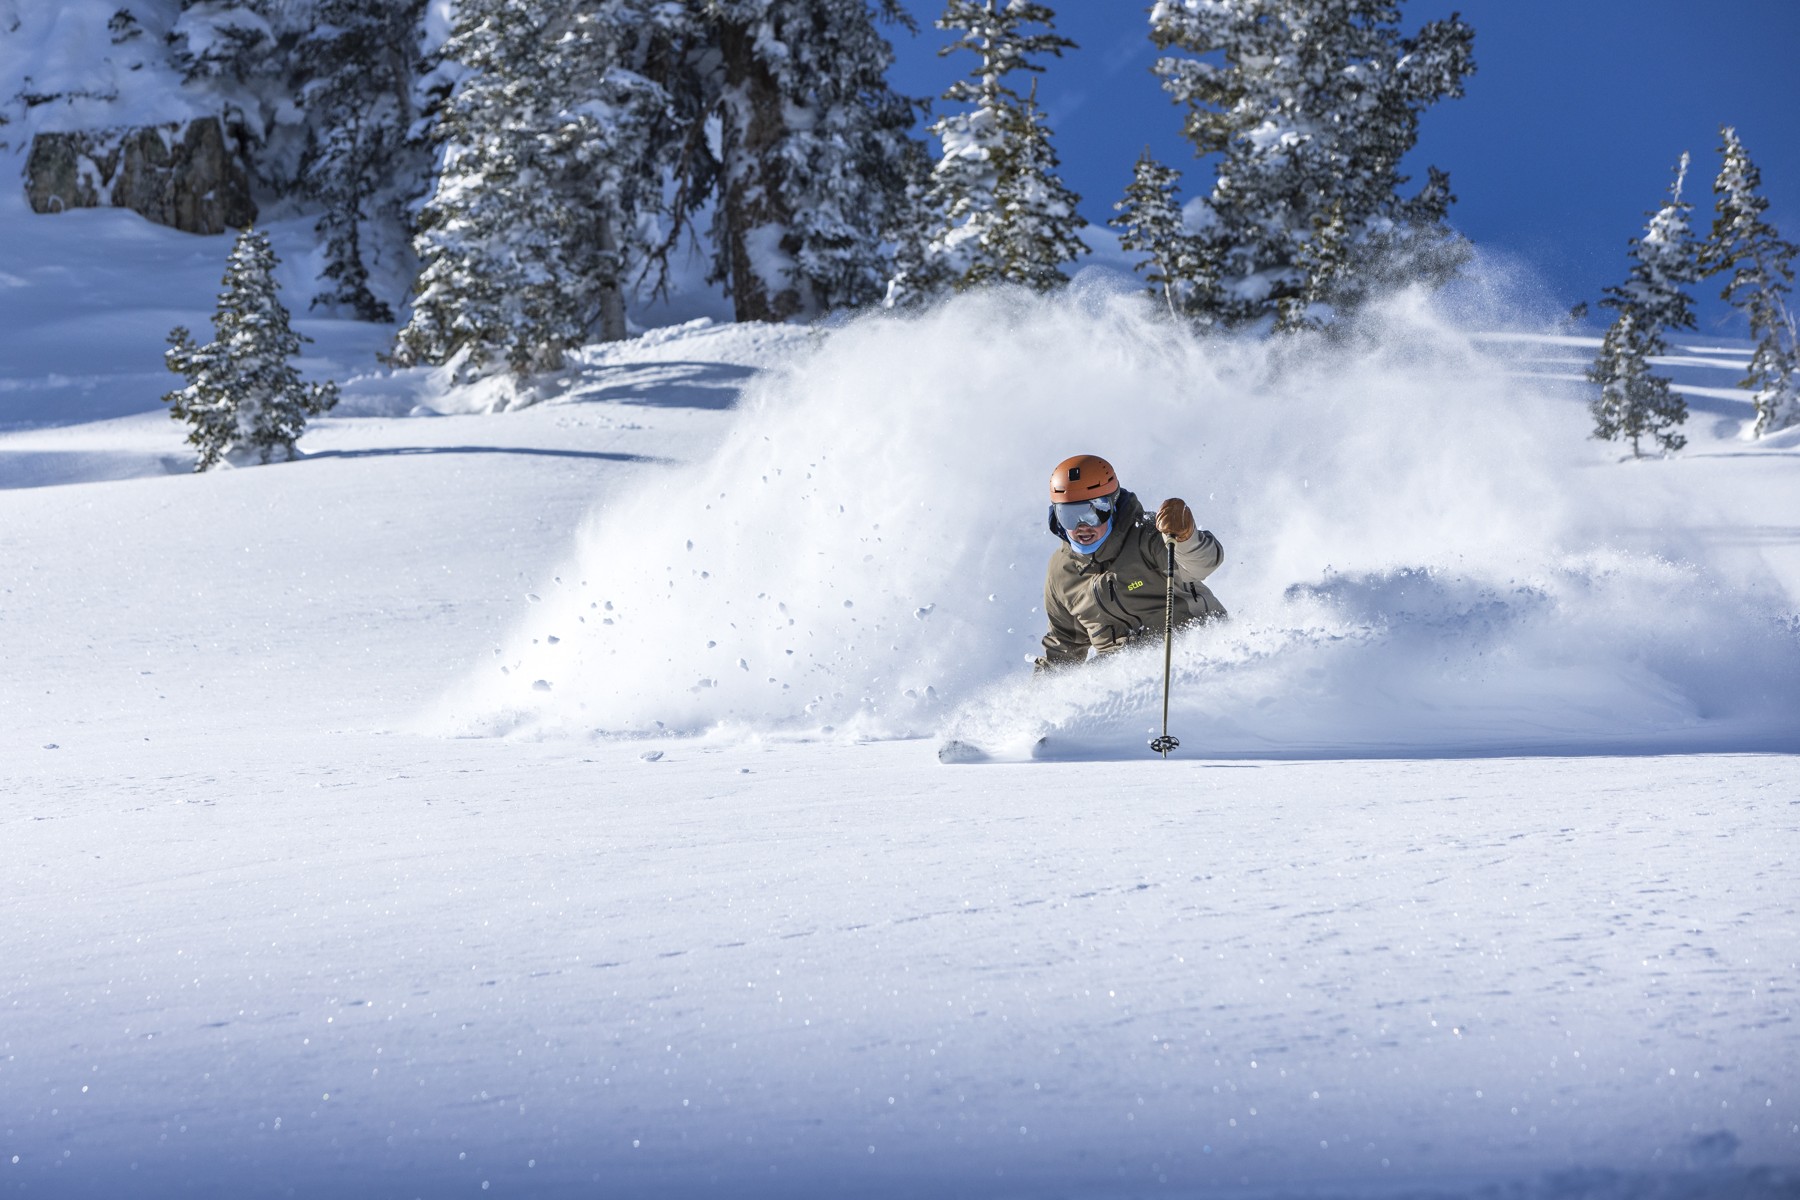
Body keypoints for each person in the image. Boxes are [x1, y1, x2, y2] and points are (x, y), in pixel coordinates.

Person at [1037, 453, 1226, 670]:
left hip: (1193, 650)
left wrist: (1185, 539)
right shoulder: (1062, 571)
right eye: (1069, 516)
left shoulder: (1149, 535)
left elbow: (1201, 564)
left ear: (1113, 505)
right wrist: (1038, 699)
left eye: (1094, 513)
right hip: (1128, 678)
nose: (1082, 527)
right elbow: (1064, 644)